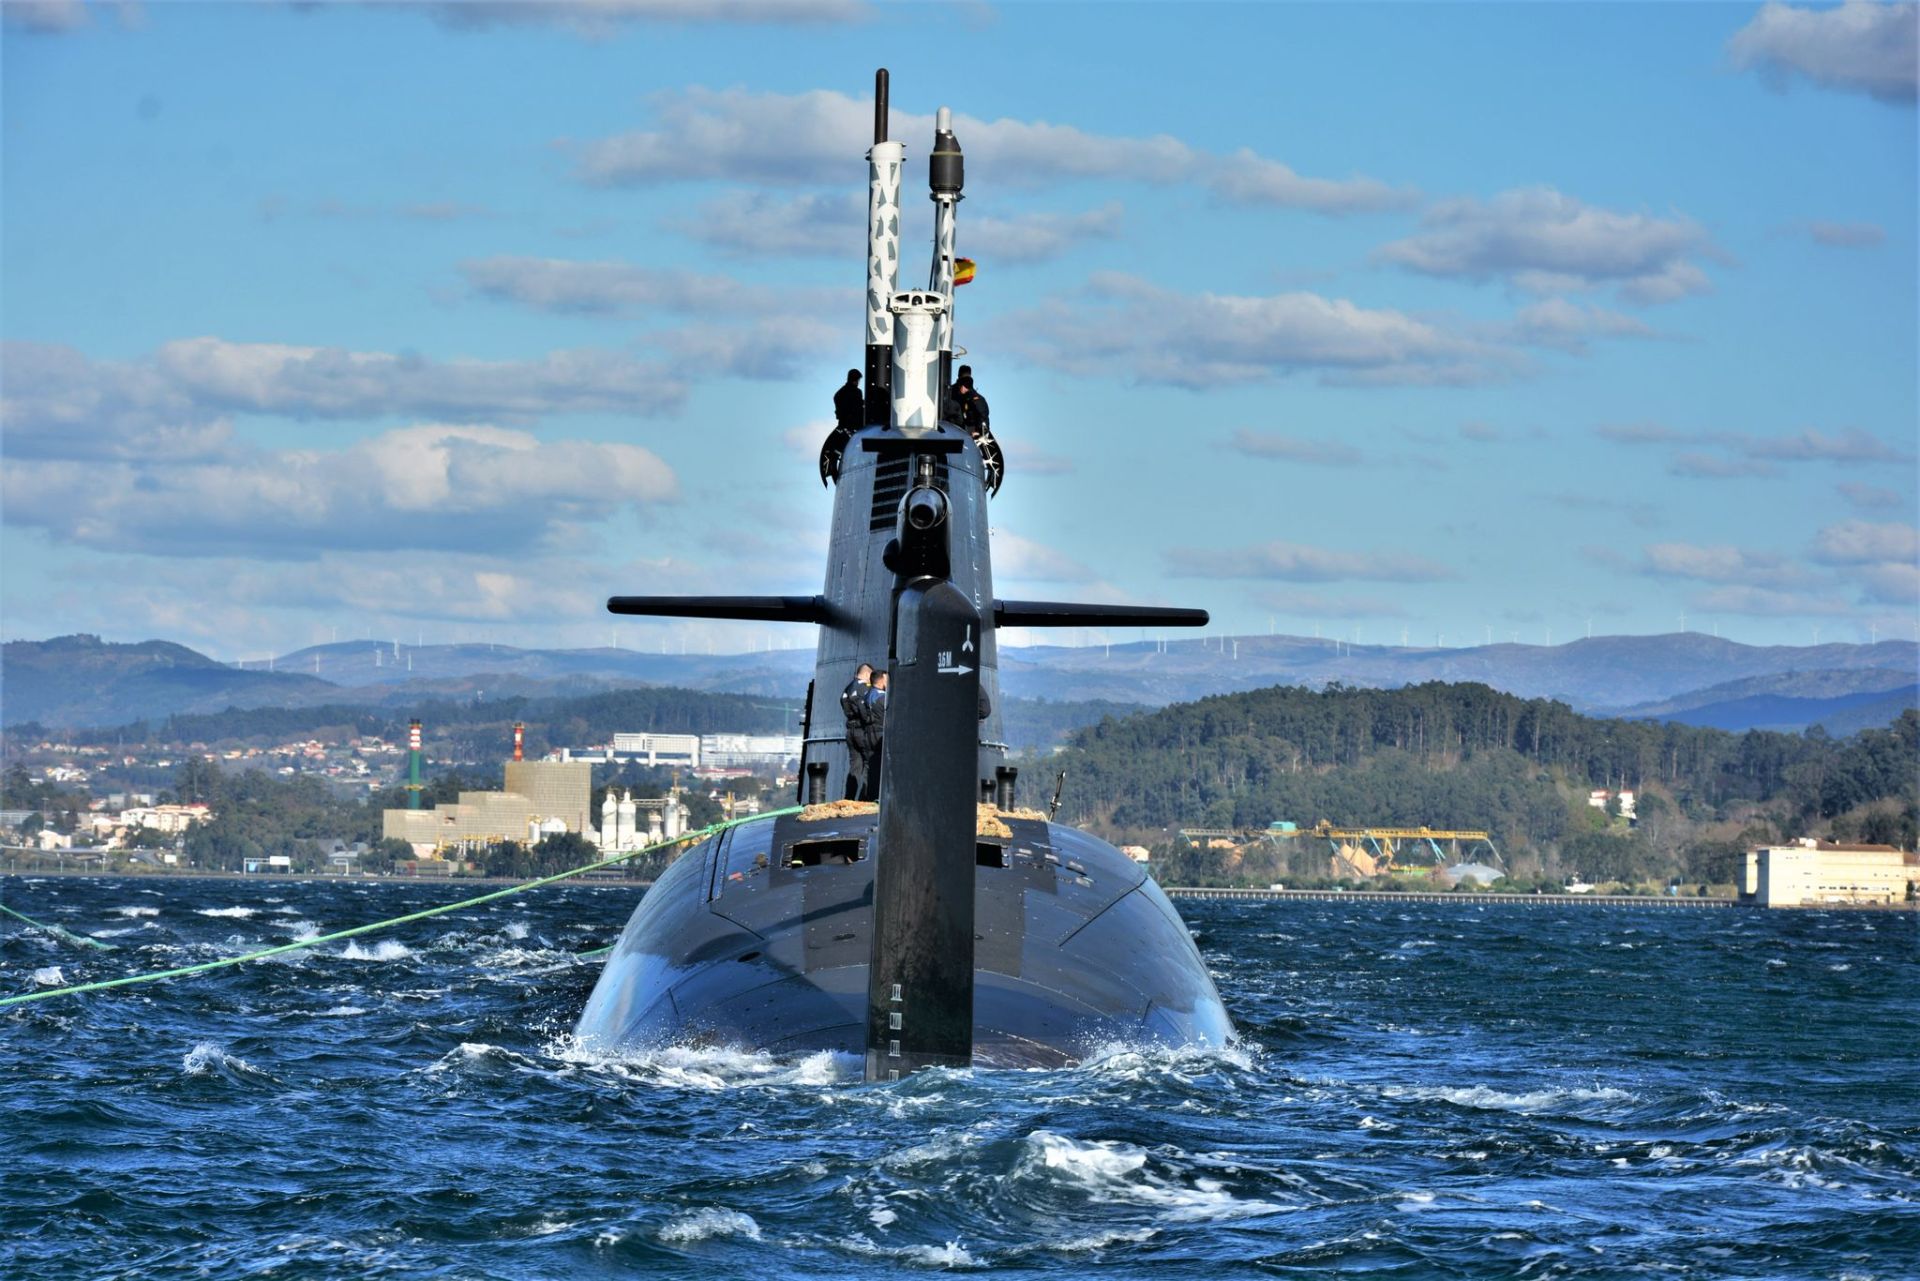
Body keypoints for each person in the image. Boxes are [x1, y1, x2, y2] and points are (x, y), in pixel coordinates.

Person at [840, 662, 874, 801]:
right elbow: (864, 710)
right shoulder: (863, 688)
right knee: (868, 763)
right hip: (861, 730)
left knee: (855, 767)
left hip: (850, 730)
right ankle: (864, 799)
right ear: (866, 674)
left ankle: (848, 798)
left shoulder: (847, 688)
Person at [863, 670, 888, 800]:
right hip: (880, 733)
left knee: (870, 766)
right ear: (881, 680)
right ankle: (879, 796)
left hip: (868, 733)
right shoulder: (883, 697)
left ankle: (870, 795)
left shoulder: (867, 696)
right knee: (881, 764)